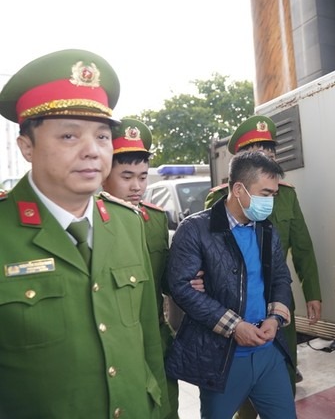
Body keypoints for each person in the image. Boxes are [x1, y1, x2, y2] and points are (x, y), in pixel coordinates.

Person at [0, 49, 169, 418]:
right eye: (69, 136)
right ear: (26, 146)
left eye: (103, 136)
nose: (92, 151)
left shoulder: (127, 223)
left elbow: (148, 341)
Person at [166, 151, 296, 419]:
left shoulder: (266, 229)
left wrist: (275, 319)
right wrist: (235, 326)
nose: (270, 202)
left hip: (268, 353)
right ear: (238, 189)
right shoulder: (195, 230)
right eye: (265, 194)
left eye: (274, 195)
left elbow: (280, 277)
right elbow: (181, 287)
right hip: (222, 358)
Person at [205, 116, 322, 395]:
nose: (269, 159)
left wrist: (313, 293)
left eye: (271, 153)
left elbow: (302, 246)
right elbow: (208, 252)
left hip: (278, 300)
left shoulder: (286, 196)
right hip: (236, 302)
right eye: (260, 154)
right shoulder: (219, 198)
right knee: (240, 381)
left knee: (283, 369)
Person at [102, 117, 179, 418]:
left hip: (157, 337)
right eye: (126, 176)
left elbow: (164, 281)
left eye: (143, 177)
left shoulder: (155, 219)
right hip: (118, 342)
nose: (137, 186)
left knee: (168, 408)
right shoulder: (92, 221)